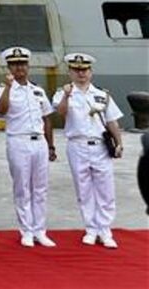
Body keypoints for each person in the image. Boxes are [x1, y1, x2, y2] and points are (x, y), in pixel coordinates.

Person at [52, 52, 124, 249]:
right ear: (70, 72)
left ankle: (105, 230)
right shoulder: (63, 93)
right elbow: (61, 113)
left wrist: (119, 143)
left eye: (84, 70)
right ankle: (91, 229)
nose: (81, 73)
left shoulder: (102, 94)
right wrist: (66, 95)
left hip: (100, 145)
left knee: (106, 189)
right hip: (77, 145)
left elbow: (112, 121)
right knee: (83, 189)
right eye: (76, 70)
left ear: (90, 72)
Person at [0, 46, 56, 248]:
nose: (19, 68)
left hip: (39, 142)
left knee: (40, 188)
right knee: (22, 188)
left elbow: (46, 118)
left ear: (28, 66)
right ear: (9, 67)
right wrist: (8, 87)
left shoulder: (37, 90)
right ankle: (26, 230)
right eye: (14, 64)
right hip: (18, 141)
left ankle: (40, 230)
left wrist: (51, 146)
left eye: (22, 64)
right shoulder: (3, 88)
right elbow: (1, 110)